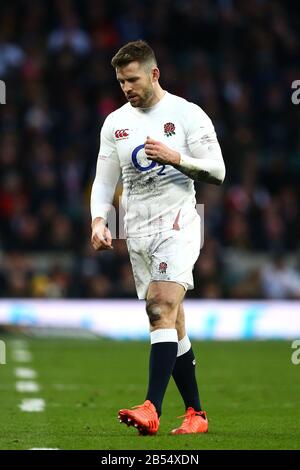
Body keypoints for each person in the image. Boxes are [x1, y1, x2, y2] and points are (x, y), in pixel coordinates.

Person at [90, 40, 225, 435]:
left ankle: (152, 407)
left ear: (154, 73)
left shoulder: (187, 114)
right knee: (173, 321)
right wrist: (100, 219)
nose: (126, 88)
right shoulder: (115, 122)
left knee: (158, 306)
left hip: (179, 224)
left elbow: (217, 171)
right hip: (138, 230)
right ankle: (196, 414)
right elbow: (104, 178)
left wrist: (176, 158)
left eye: (132, 79)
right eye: (120, 81)